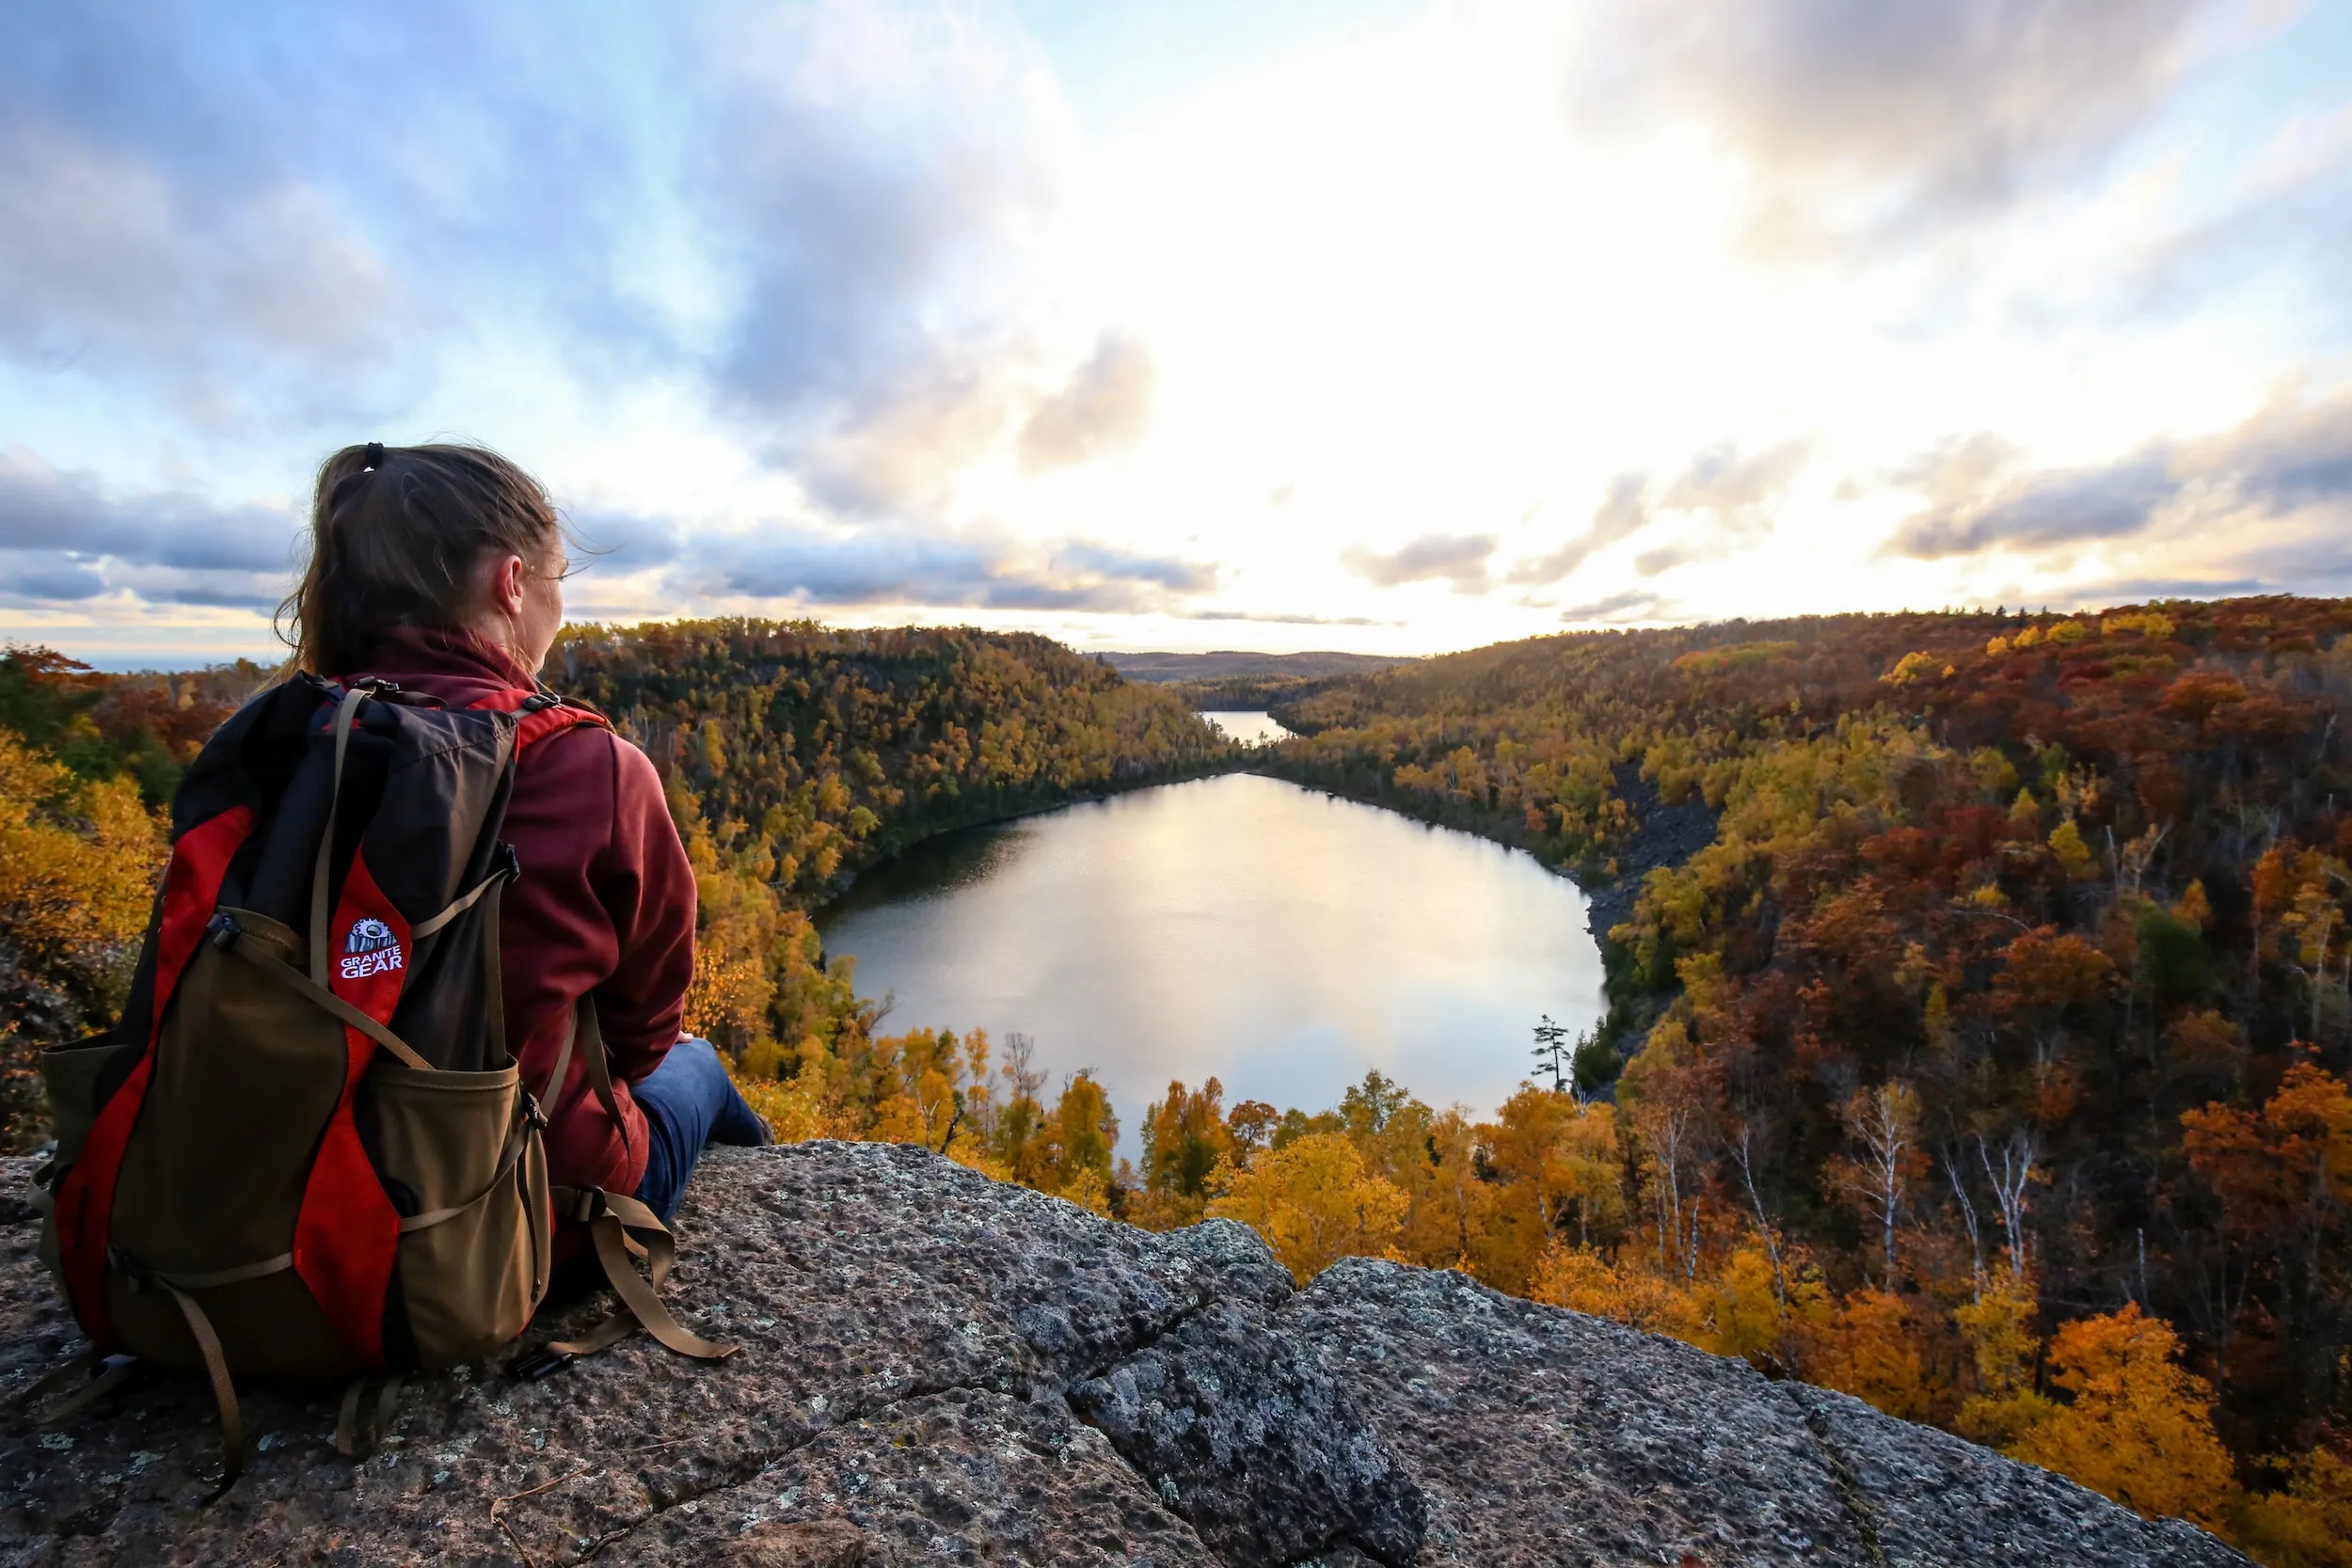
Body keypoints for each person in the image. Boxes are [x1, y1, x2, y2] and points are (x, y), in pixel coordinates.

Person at [279, 440, 768, 1225]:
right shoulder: (588, 765)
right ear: (512, 582)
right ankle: (768, 1205)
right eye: (557, 581)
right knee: (695, 1061)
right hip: (510, 1209)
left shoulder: (275, 738)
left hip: (275, 1185)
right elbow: (642, 1034)